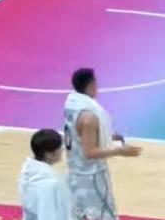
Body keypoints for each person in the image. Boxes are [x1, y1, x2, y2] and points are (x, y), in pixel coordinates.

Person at [64, 68, 142, 220]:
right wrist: (120, 151)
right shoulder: (89, 117)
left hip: (74, 171)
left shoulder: (72, 104)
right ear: (92, 84)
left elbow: (78, 134)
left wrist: (108, 136)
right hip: (90, 175)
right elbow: (90, 152)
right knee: (106, 215)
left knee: (76, 215)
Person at [19, 129, 71, 220]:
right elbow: (48, 215)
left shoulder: (27, 169)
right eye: (60, 147)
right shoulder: (51, 184)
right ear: (50, 154)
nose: (62, 150)